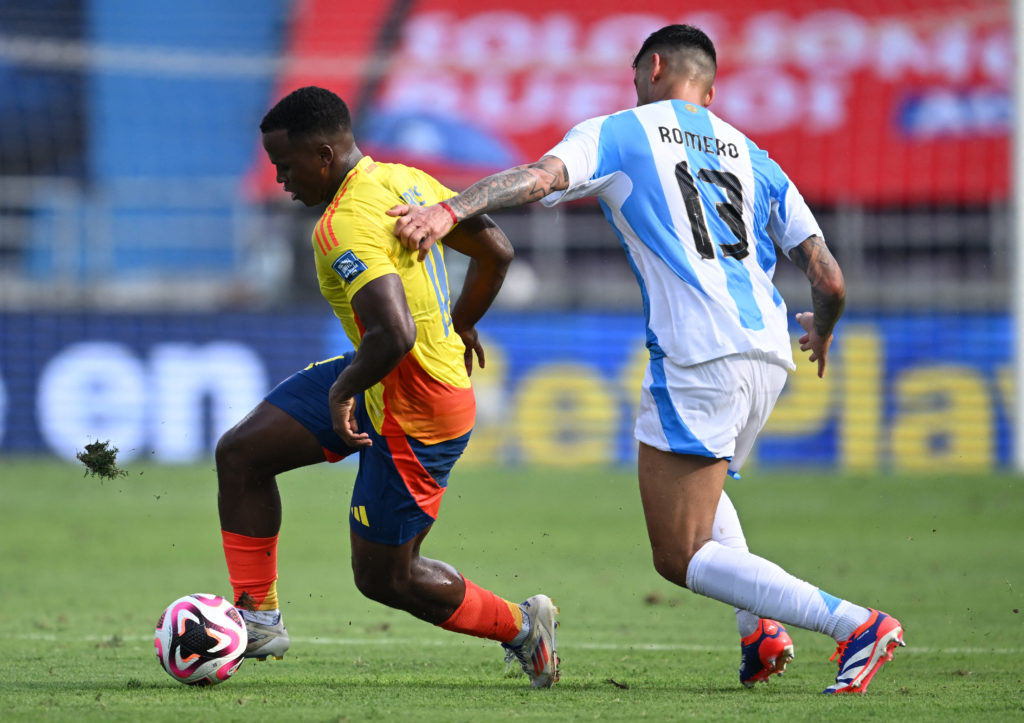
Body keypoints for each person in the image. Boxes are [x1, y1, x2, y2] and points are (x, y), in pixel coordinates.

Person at [390, 25, 903, 694]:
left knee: (680, 551)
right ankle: (759, 627)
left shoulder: (623, 131)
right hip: (770, 353)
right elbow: (828, 277)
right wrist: (824, 332)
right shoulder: (757, 158)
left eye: (636, 76)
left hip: (697, 349)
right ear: (711, 91)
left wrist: (448, 209)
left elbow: (538, 177)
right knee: (702, 493)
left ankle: (856, 625)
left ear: (653, 68)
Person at [215, 86, 559, 688]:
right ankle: (257, 615)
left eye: (286, 166)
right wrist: (464, 321)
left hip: (417, 407)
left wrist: (344, 387)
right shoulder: (407, 181)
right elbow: (497, 252)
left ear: (323, 156)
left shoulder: (341, 224)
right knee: (241, 453)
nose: (280, 180)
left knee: (385, 578)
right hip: (383, 378)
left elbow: (395, 333)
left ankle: (524, 625)